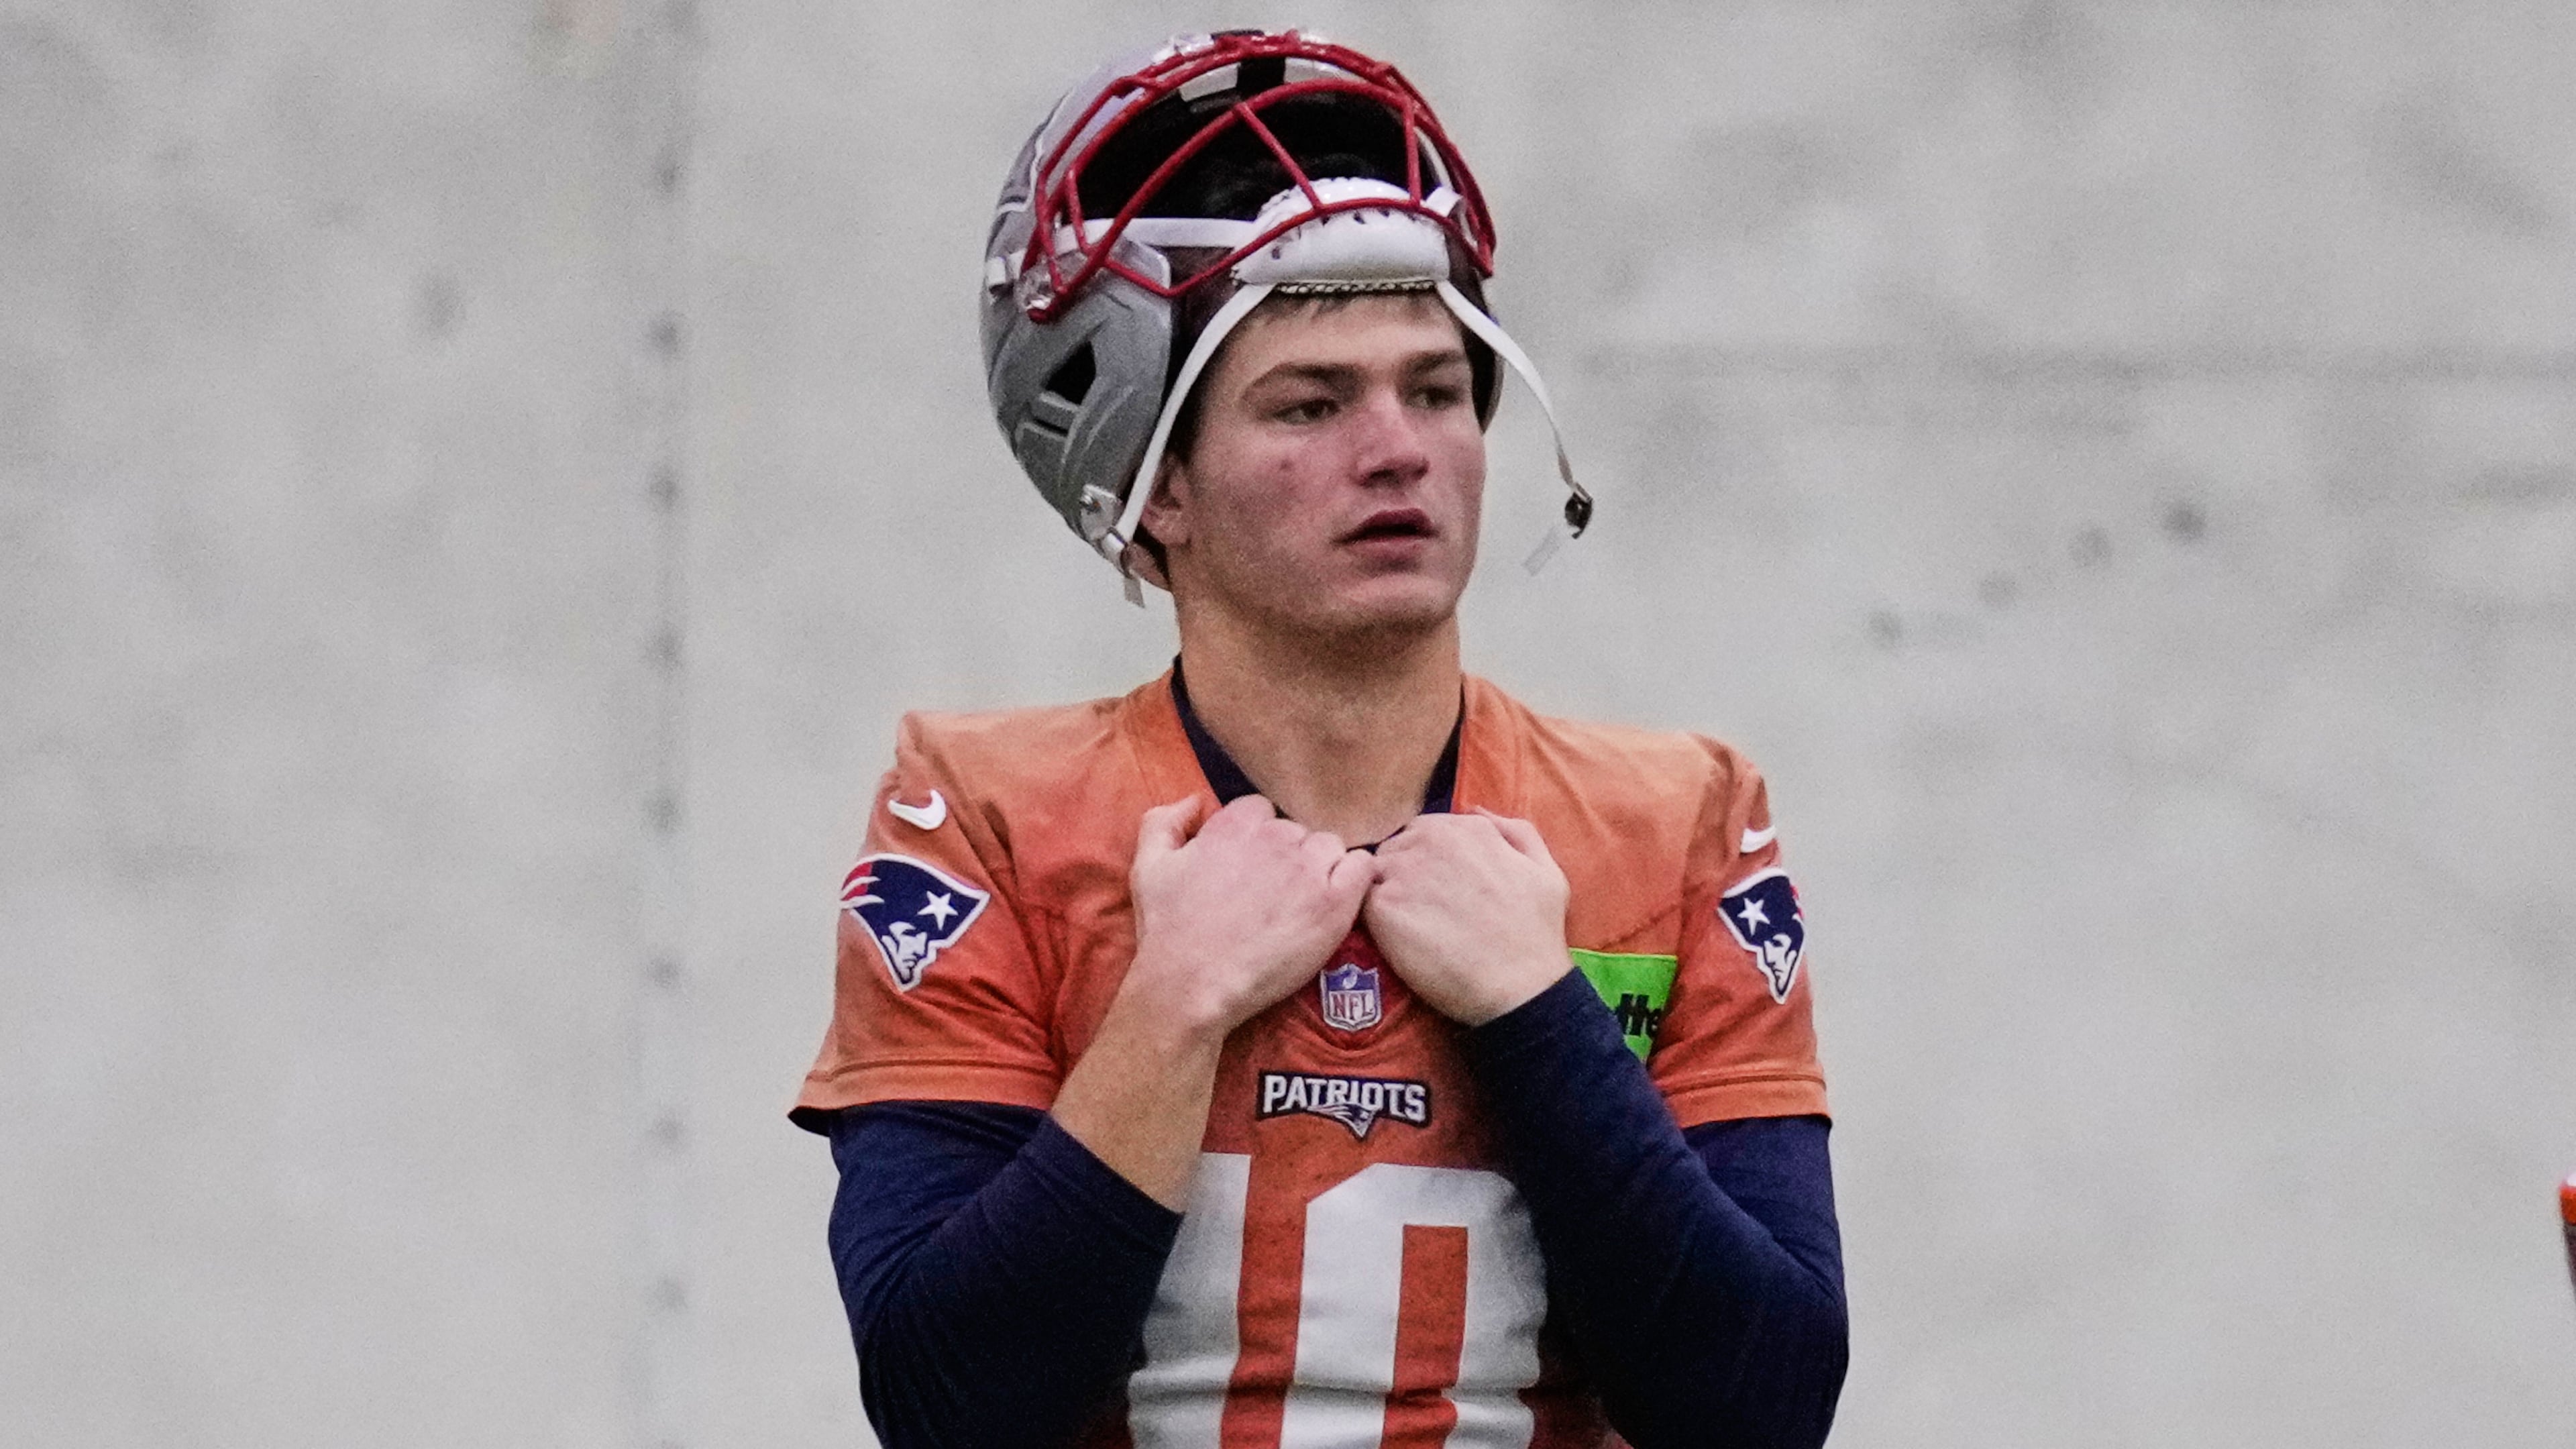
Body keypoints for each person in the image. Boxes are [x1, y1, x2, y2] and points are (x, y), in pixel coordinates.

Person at [792, 30, 1847, 1449]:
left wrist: (1542, 1013)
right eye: (1311, 402)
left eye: (1433, 387)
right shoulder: (987, 813)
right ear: (1157, 482)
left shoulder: (1675, 821)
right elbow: (948, 1404)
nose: (1401, 446)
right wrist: (1174, 1005)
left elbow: (1761, 1409)